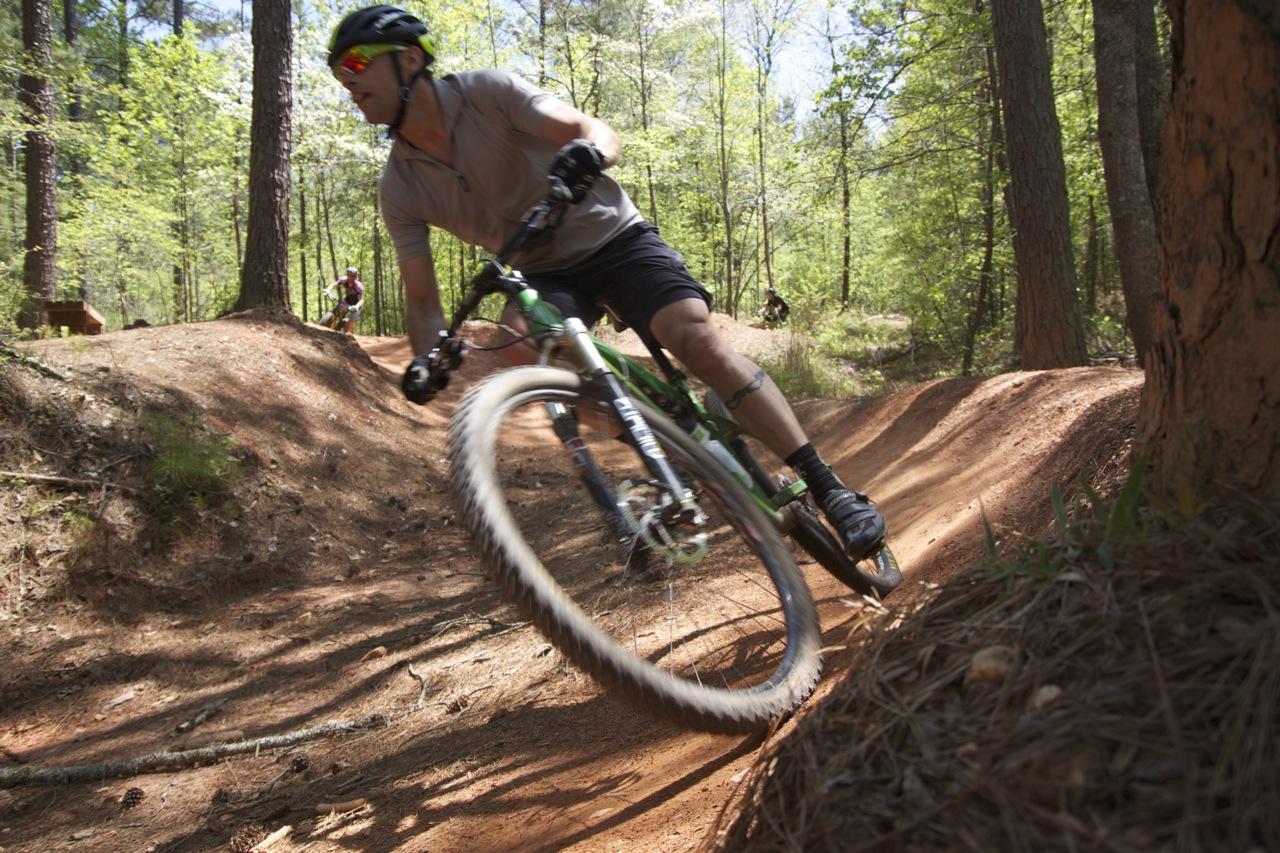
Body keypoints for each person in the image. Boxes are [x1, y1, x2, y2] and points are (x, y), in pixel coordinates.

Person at [327, 5, 886, 560]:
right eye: (338, 76)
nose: (347, 84)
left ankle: (829, 489)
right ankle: (669, 445)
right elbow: (423, 299)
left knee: (695, 340)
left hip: (613, 235)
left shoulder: (487, 93)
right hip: (542, 270)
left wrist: (589, 153)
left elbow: (591, 129)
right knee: (519, 353)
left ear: (407, 59)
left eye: (355, 65)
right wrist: (426, 362)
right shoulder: (399, 185)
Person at [320, 267, 366, 333]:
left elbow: (361, 299)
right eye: (349, 275)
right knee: (337, 310)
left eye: (353, 276)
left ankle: (346, 334)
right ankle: (331, 322)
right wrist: (328, 289)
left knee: (349, 325)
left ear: (356, 277)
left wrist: (356, 307)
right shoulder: (344, 280)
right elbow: (334, 284)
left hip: (356, 305)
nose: (351, 277)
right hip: (347, 300)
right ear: (347, 275)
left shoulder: (358, 286)